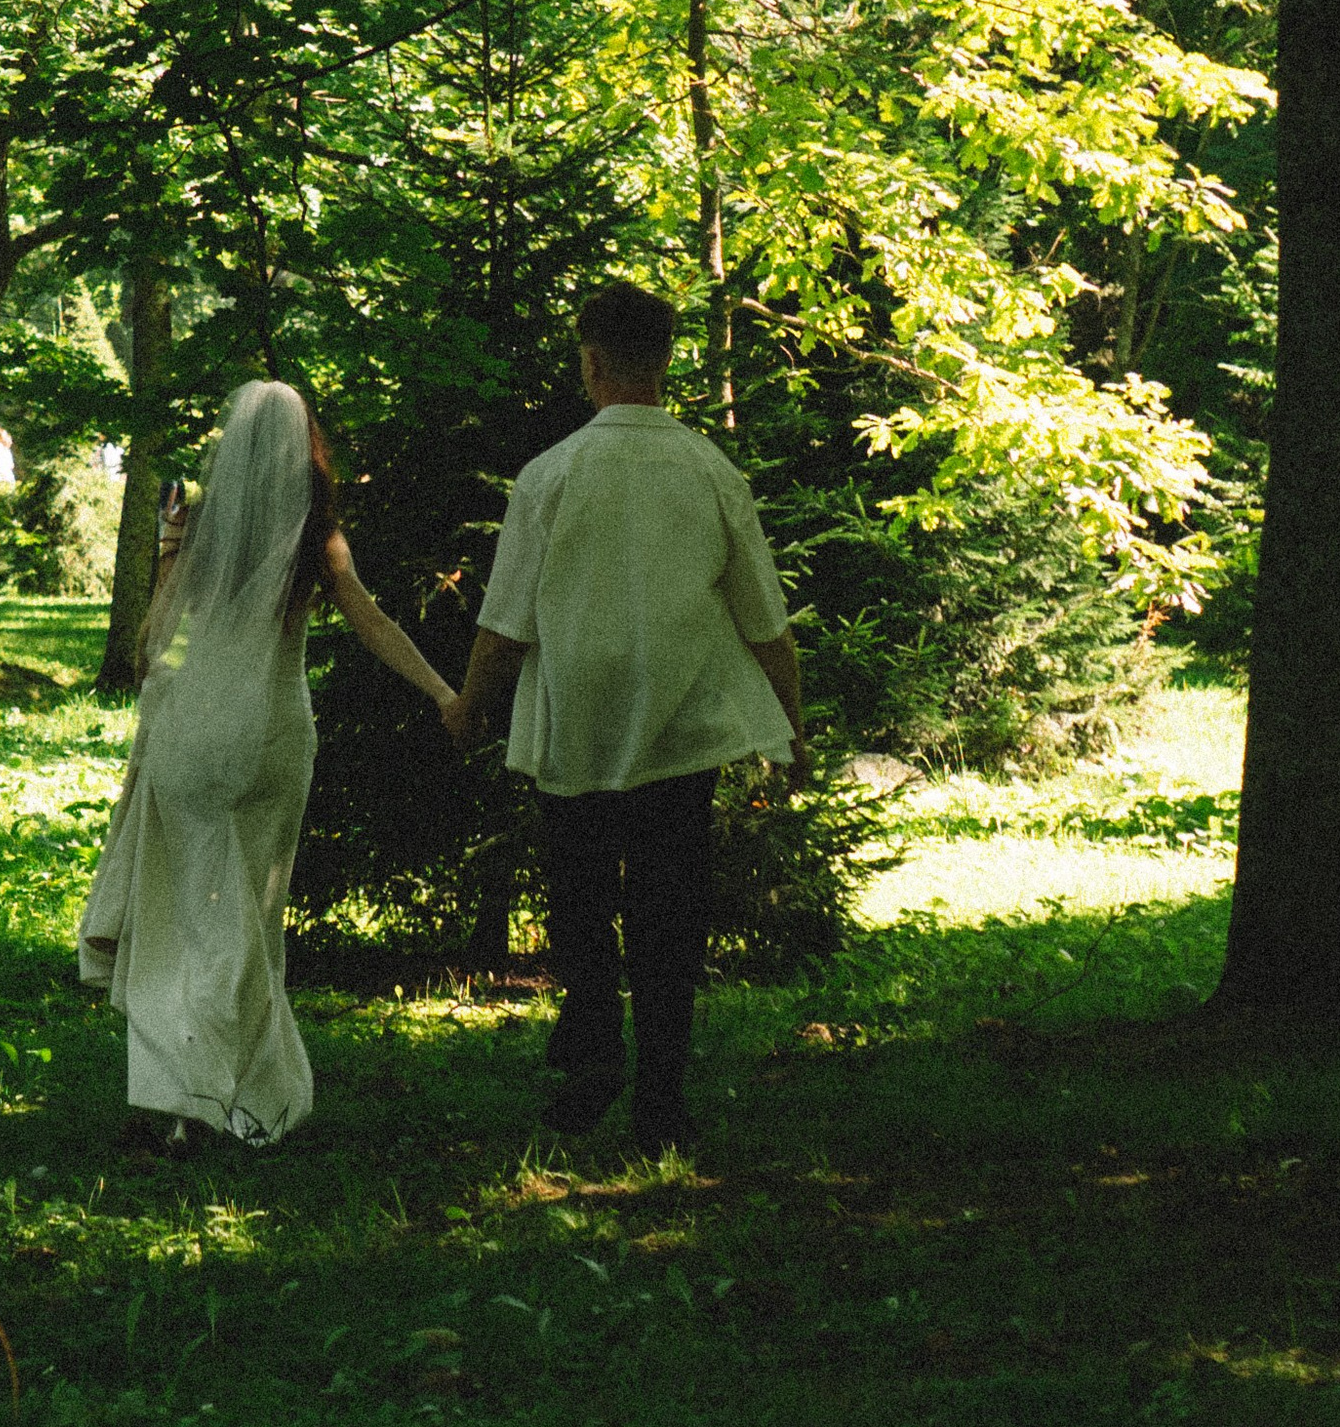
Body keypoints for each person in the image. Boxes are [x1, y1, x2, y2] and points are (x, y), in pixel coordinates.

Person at [444, 282, 806, 1154]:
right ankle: (661, 1099)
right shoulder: (710, 471)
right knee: (670, 912)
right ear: (668, 361)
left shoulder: (552, 473)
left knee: (579, 901)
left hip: (576, 723)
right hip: (683, 729)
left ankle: (597, 1048)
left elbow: (505, 620)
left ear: (592, 362)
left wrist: (467, 709)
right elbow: (766, 622)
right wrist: (792, 731)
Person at [77, 380, 457, 1143]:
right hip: (269, 733)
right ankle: (230, 1093)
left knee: (181, 908)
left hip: (193, 730)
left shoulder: (200, 525)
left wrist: (169, 549)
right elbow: (372, 622)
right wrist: (444, 692)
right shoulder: (319, 535)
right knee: (251, 911)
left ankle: (184, 1096)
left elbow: (160, 637)